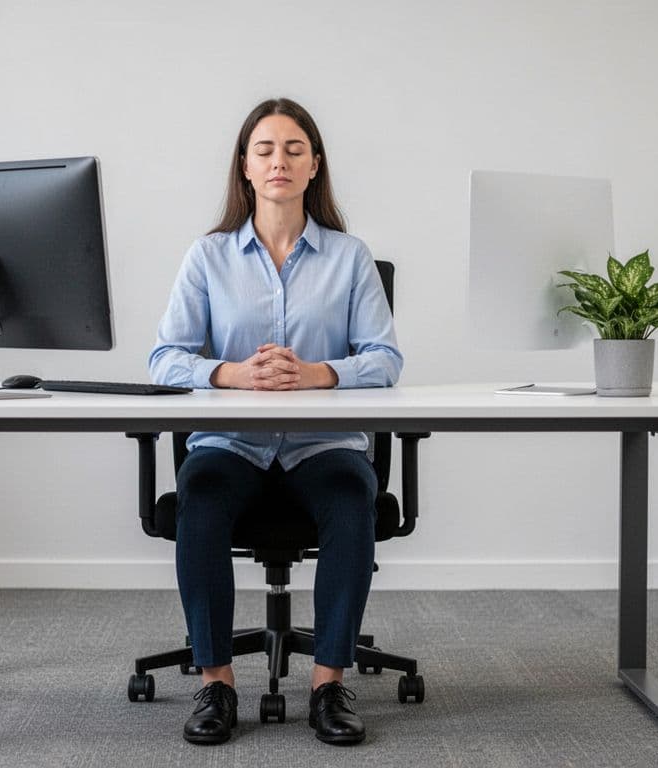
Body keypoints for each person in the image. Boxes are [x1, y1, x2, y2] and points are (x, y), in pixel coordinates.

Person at [148, 97, 403, 746]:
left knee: (353, 499)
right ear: (245, 168)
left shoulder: (349, 258)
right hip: (232, 444)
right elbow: (164, 359)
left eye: (294, 149)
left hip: (323, 445)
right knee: (198, 498)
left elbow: (385, 358)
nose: (279, 161)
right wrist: (232, 374)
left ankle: (327, 685)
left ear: (314, 165)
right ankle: (215, 684)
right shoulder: (207, 258)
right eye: (265, 150)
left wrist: (319, 373)